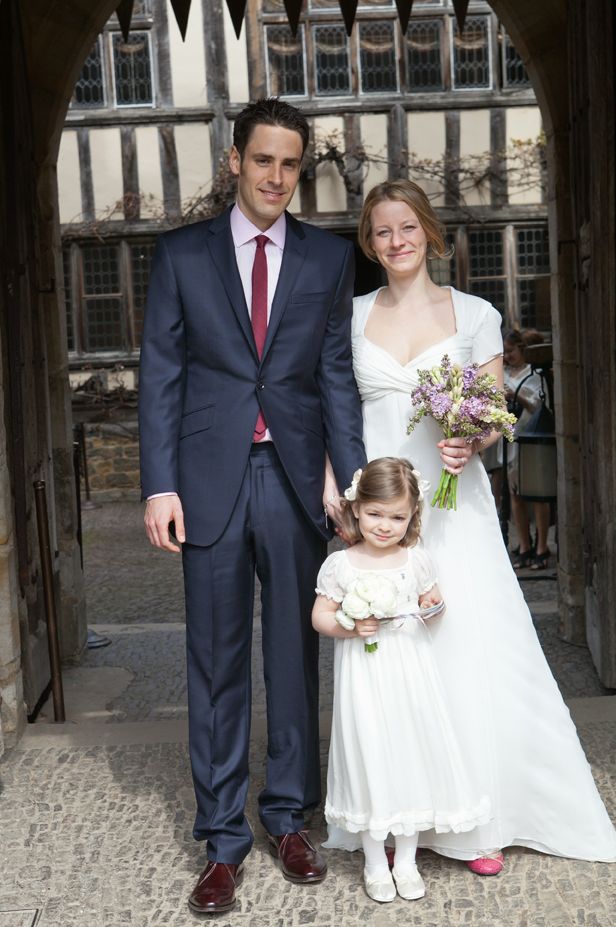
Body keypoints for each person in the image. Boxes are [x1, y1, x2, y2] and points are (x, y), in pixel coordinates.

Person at [344, 178, 616, 872]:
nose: (396, 241)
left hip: (452, 506)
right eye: (381, 231)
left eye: (407, 227)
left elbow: (494, 408)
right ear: (369, 243)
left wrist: (473, 439)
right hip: (378, 512)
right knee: (391, 655)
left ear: (429, 231)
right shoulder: (348, 317)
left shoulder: (474, 314)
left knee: (465, 643)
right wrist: (342, 499)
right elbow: (333, 412)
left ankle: (481, 815)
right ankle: (405, 811)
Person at [139, 98, 366, 914]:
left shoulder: (326, 258)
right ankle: (223, 840)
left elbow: (333, 372)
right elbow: (162, 371)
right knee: (215, 660)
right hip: (206, 482)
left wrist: (349, 473)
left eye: (290, 164)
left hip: (299, 477)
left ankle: (288, 817)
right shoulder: (181, 256)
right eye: (263, 160)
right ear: (235, 160)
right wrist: (158, 484)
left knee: (295, 657)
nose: (277, 177)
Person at [312, 458, 491, 903]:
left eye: (397, 516)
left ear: (412, 516)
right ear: (356, 509)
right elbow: (319, 616)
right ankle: (375, 862)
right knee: (368, 753)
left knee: (410, 753)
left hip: (409, 676)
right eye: (375, 514)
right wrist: (349, 626)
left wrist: (434, 606)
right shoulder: (341, 565)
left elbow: (434, 610)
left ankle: (406, 860)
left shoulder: (416, 561)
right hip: (364, 682)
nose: (385, 525)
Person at [502, 328, 551, 570]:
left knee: (538, 494)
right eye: (504, 352)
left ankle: (542, 546)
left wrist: (517, 396)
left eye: (511, 351)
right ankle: (524, 544)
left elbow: (539, 407)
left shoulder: (534, 374)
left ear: (522, 349)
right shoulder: (499, 374)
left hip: (532, 439)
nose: (507, 356)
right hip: (510, 440)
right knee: (515, 494)